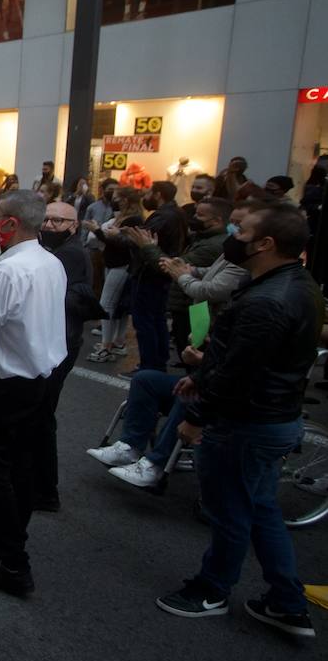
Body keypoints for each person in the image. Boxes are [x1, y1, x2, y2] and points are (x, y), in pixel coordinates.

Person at [156, 204, 320, 638]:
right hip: (271, 418)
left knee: (229, 510)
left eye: (241, 230)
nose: (234, 235)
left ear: (265, 244)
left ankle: (211, 589)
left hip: (249, 423)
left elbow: (241, 374)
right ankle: (287, 601)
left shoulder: (269, 299)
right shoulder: (292, 285)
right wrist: (203, 372)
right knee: (260, 508)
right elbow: (247, 360)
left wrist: (197, 417)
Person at [98, 202, 254, 488]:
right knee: (146, 379)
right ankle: (130, 445)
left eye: (241, 227)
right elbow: (199, 273)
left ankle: (155, 464)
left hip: (226, 380)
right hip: (203, 333)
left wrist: (171, 264)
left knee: (189, 391)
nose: (237, 232)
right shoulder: (227, 252)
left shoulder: (254, 283)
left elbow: (206, 288)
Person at [0, 191, 66, 596]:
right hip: (40, 380)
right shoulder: (48, 262)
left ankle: (12, 562)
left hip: (8, 385)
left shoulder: (11, 271)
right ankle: (11, 538)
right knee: (20, 465)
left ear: (10, 224)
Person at [35, 201, 101, 511]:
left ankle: (45, 490)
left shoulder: (70, 254)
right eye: (46, 219)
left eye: (58, 221)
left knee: (41, 415)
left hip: (62, 341)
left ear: (73, 226)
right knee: (40, 415)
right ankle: (43, 488)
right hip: (61, 338)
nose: (49, 226)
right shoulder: (62, 251)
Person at [144, 197, 232, 354]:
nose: (194, 218)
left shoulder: (214, 245)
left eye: (200, 215)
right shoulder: (202, 238)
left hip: (192, 307)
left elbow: (171, 267)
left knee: (190, 350)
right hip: (186, 303)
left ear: (217, 220)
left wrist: (148, 247)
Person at [120, 181, 186, 374]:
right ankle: (158, 361)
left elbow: (142, 241)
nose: (145, 196)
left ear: (158, 195)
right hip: (160, 272)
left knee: (145, 321)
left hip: (149, 273)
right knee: (156, 319)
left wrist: (126, 235)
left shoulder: (163, 216)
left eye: (149, 192)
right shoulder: (176, 214)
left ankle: (150, 365)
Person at [87, 187, 145, 363]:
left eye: (117, 197)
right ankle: (117, 341)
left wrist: (99, 231)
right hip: (113, 263)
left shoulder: (133, 220)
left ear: (126, 200)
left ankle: (106, 346)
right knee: (118, 305)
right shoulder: (121, 217)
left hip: (122, 264)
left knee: (107, 304)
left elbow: (124, 243)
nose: (114, 200)